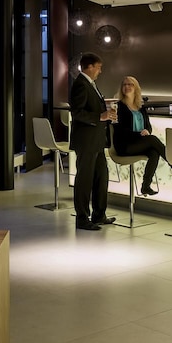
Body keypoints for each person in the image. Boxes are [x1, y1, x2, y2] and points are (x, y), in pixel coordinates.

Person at [113, 76, 172, 196]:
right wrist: (139, 134)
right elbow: (120, 130)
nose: (127, 87)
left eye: (130, 84)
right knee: (153, 140)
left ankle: (146, 186)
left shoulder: (140, 107)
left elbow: (148, 126)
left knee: (154, 152)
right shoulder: (119, 107)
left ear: (136, 88)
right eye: (124, 84)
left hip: (140, 142)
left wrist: (147, 131)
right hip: (125, 145)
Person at [69, 52, 116, 231]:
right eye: (98, 67)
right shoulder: (80, 84)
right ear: (89, 67)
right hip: (86, 141)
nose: (100, 71)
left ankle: (99, 214)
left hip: (97, 141)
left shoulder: (91, 84)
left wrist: (106, 114)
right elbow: (77, 113)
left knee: (101, 177)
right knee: (84, 180)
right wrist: (100, 116)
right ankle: (82, 218)